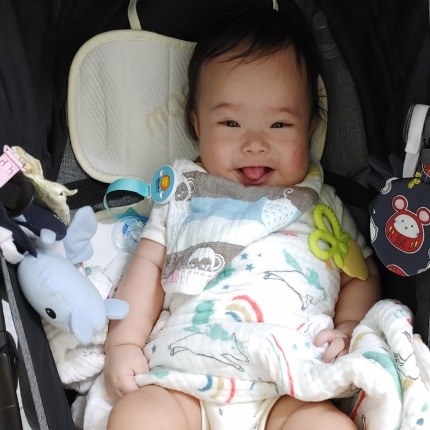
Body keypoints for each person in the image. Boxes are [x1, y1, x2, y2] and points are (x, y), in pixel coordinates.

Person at [104, 5, 381, 430]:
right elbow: (147, 268)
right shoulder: (185, 195)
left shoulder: (321, 204)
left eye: (279, 125)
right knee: (137, 417)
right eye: (231, 122)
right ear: (197, 125)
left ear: (309, 128)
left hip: (289, 384)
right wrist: (124, 343)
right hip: (185, 376)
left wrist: (347, 329)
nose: (254, 143)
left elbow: (360, 273)